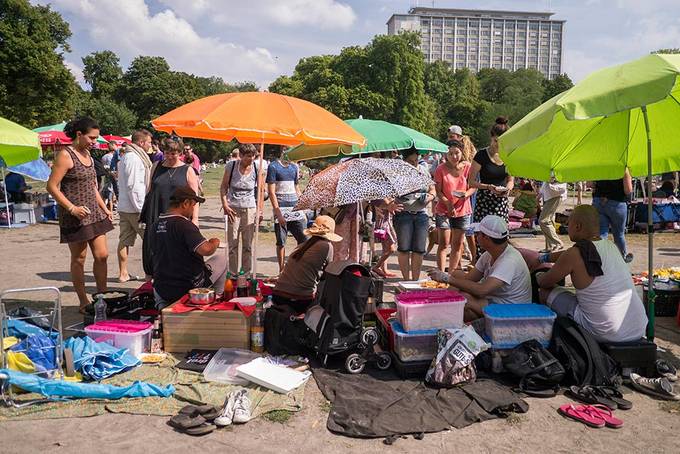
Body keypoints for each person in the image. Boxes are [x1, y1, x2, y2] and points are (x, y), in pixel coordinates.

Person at [537, 205, 647, 343]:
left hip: (605, 333)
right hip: (637, 328)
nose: (566, 226)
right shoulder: (611, 246)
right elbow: (566, 254)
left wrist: (539, 274)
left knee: (544, 292)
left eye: (568, 222)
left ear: (577, 226)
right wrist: (544, 258)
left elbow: (545, 282)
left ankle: (553, 340)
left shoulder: (574, 254)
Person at [46, 117, 114, 312]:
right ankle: (83, 300)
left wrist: (105, 208)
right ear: (79, 134)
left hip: (94, 213)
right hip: (74, 215)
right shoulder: (65, 155)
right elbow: (51, 186)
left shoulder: (89, 155)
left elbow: (93, 186)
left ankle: (102, 297)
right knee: (79, 259)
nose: (95, 141)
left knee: (102, 255)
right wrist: (72, 208)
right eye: (92, 138)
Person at [428, 215, 531, 322]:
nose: (476, 237)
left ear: (486, 238)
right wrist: (447, 290)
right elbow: (469, 279)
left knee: (463, 301)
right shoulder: (489, 254)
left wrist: (447, 279)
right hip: (498, 301)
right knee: (459, 290)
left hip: (514, 309)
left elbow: (481, 290)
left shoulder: (509, 260)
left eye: (478, 234)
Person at [149, 186, 221, 308]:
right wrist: (215, 242)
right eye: (193, 205)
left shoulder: (155, 225)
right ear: (185, 203)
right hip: (187, 286)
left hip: (162, 286)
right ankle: (216, 298)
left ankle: (162, 304)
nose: (193, 210)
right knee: (221, 259)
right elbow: (206, 250)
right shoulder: (184, 225)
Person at [140, 138, 200, 277]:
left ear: (180, 153)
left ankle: (174, 281)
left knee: (175, 250)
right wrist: (144, 213)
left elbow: (195, 198)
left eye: (173, 153)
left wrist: (195, 219)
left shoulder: (188, 170)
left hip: (178, 217)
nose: (169, 156)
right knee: (153, 250)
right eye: (167, 153)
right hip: (156, 213)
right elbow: (150, 190)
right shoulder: (156, 166)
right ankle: (151, 285)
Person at [272, 215, 342, 313]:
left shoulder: (303, 245)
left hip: (278, 295)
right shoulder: (327, 246)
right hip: (301, 299)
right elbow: (327, 274)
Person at [469, 117, 514, 257]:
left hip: (501, 203)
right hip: (484, 202)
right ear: (491, 138)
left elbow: (511, 180)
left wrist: (508, 189)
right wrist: (488, 187)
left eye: (502, 142)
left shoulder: (508, 156)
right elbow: (471, 182)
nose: (498, 145)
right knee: (482, 239)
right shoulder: (481, 155)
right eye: (496, 141)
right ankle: (480, 270)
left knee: (500, 240)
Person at [393, 148, 436, 281]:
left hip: (421, 214)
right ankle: (406, 281)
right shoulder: (398, 172)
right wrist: (391, 204)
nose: (414, 164)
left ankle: (415, 281)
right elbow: (389, 192)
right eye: (410, 161)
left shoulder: (423, 170)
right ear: (404, 160)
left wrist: (430, 196)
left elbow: (432, 188)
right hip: (403, 214)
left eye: (416, 160)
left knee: (419, 249)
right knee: (404, 248)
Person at [116, 129, 153, 282]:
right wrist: (141, 209)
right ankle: (149, 274)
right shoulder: (133, 158)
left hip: (126, 206)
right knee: (150, 242)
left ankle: (123, 273)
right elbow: (133, 185)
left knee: (124, 241)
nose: (150, 146)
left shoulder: (127, 156)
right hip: (134, 208)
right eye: (149, 142)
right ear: (141, 142)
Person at [434, 140, 475, 272]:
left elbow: (473, 186)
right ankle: (440, 274)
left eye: (456, 153)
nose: (454, 156)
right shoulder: (440, 169)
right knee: (444, 243)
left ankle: (451, 275)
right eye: (450, 153)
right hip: (444, 208)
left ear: (462, 152)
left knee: (457, 244)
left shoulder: (468, 167)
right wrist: (448, 203)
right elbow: (438, 191)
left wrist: (466, 194)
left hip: (462, 209)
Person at [220, 143, 260, 275]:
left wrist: (259, 210)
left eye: (253, 156)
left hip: (249, 208)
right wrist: (225, 205)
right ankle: (232, 273)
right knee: (233, 243)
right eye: (248, 156)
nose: (251, 159)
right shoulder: (231, 166)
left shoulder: (256, 167)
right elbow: (223, 187)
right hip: (233, 208)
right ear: (241, 156)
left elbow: (260, 190)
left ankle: (246, 273)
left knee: (247, 244)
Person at [266, 146, 307, 271]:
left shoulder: (295, 167)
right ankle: (281, 270)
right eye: (287, 150)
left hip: (295, 208)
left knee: (303, 240)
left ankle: (297, 268)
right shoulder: (273, 167)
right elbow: (271, 192)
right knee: (281, 241)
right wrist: (278, 213)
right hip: (282, 209)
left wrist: (303, 207)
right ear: (282, 150)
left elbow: (296, 187)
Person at [592, 168, 633, 263]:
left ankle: (599, 257)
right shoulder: (623, 168)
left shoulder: (600, 164)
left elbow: (590, 184)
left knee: (601, 233)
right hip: (617, 202)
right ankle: (621, 259)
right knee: (619, 234)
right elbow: (628, 190)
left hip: (599, 200)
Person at [538, 179, 568, 252]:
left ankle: (557, 242)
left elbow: (562, 188)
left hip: (555, 196)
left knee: (543, 221)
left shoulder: (560, 170)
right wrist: (540, 195)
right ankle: (549, 247)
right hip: (548, 196)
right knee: (550, 220)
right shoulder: (548, 170)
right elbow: (545, 184)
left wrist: (550, 183)